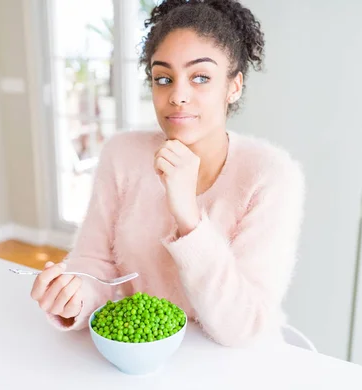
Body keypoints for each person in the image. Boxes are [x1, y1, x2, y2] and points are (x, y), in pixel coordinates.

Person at [31, 0, 305, 347]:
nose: (177, 96)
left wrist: (188, 215)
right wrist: (74, 297)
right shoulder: (122, 154)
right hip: (134, 360)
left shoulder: (271, 176)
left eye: (201, 78)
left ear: (233, 86)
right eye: (164, 78)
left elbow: (244, 326)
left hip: (228, 368)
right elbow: (93, 263)